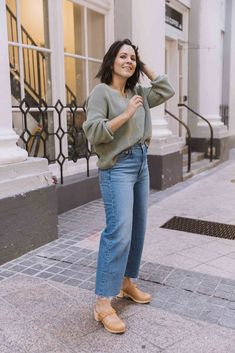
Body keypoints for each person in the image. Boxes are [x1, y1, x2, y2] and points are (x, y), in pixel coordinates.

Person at [83, 39, 175, 334]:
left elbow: (165, 89)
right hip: (117, 167)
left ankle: (125, 283)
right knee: (118, 231)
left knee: (137, 227)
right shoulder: (101, 93)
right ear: (111, 61)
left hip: (140, 162)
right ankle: (101, 302)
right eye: (123, 56)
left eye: (132, 58)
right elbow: (95, 133)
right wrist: (126, 114)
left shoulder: (138, 91)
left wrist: (143, 65)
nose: (129, 61)